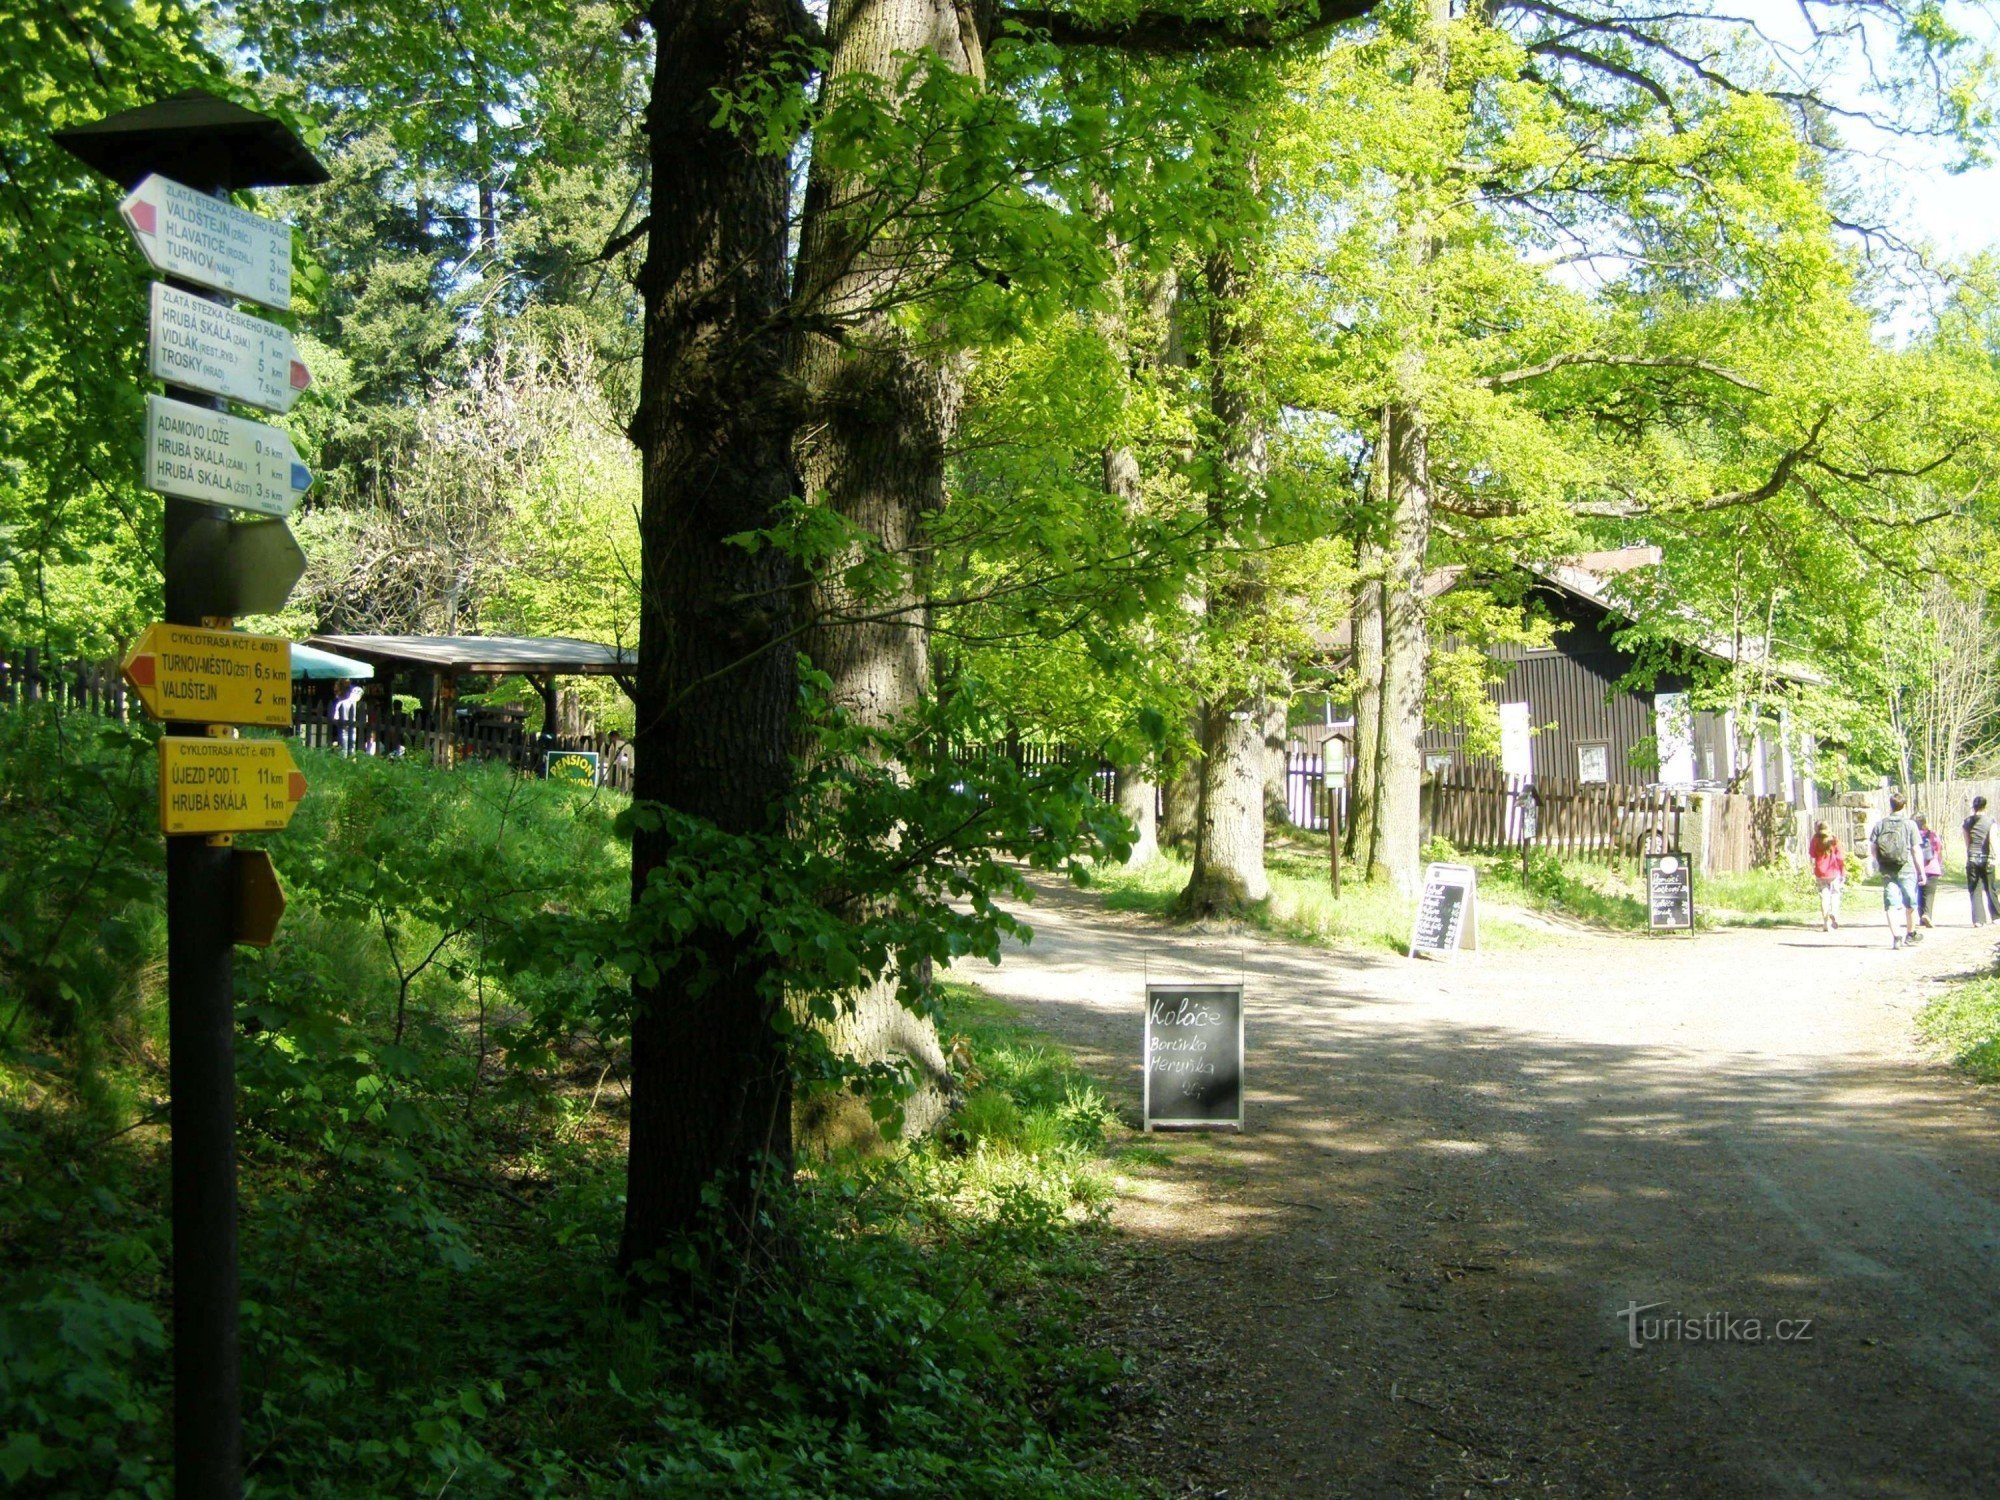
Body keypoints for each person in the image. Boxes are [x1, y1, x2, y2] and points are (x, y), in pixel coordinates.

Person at [1869, 792, 1924, 950]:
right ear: (1904, 806)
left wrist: (1879, 862)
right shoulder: (1910, 824)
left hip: (1887, 869)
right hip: (1906, 868)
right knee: (1910, 902)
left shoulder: (1880, 824)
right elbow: (1915, 850)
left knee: (1891, 904)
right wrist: (1921, 871)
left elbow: (1873, 848)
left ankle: (1896, 937)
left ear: (1891, 806)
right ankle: (1910, 934)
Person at [1808, 820, 1846, 933]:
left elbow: (1812, 854)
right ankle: (1834, 912)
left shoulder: (1815, 840)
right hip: (1833, 872)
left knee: (1824, 896)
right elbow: (1840, 858)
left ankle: (1826, 923)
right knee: (1835, 893)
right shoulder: (1834, 840)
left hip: (1820, 872)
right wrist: (1843, 871)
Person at [1967, 795, 1999, 926]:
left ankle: (1979, 920)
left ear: (1973, 807)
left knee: (1975, 889)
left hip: (1972, 858)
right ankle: (1996, 916)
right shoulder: (1990, 821)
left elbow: (1967, 843)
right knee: (1990, 888)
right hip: (1987, 858)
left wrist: (1969, 856)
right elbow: (1993, 840)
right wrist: (1997, 856)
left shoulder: (1967, 822)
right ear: (1985, 806)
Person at [1915, 814, 1945, 927]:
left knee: (1920, 893)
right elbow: (1939, 850)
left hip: (1918, 868)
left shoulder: (1913, 835)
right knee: (1930, 894)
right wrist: (1940, 864)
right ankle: (1927, 914)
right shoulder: (1932, 834)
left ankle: (1921, 917)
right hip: (1933, 867)